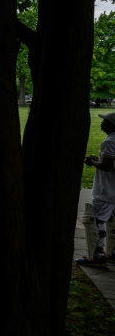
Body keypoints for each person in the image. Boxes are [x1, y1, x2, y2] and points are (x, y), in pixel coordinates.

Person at [76, 112, 115, 266]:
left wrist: (92, 162)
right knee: (112, 221)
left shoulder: (109, 142)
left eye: (104, 121)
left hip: (105, 190)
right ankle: (112, 252)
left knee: (95, 220)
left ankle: (97, 256)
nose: (101, 123)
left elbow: (106, 167)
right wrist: (97, 160)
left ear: (111, 125)